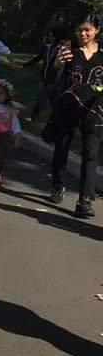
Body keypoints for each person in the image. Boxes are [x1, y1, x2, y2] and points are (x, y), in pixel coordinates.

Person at [49, 14, 103, 217]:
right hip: (69, 107)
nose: (83, 33)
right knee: (62, 147)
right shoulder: (69, 52)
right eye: (79, 29)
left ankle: (85, 201)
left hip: (95, 110)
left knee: (91, 155)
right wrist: (56, 64)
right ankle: (58, 185)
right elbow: (53, 80)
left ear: (96, 30)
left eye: (87, 29)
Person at [22, 27, 65, 122]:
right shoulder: (47, 47)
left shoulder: (62, 49)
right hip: (45, 78)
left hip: (54, 80)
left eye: (52, 36)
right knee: (49, 99)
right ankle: (58, 116)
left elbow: (62, 66)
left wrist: (57, 80)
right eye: (49, 36)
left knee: (45, 99)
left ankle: (34, 117)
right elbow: (38, 58)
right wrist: (25, 65)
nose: (50, 37)